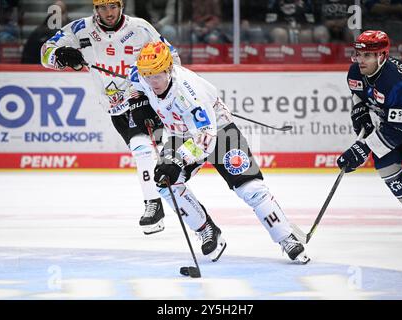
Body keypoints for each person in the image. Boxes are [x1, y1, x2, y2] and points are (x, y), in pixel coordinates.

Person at [127, 41, 310, 264]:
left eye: (156, 75)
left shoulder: (190, 92)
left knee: (250, 188)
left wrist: (178, 159)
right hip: (179, 134)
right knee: (164, 182)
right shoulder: (140, 74)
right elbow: (132, 85)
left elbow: (205, 139)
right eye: (147, 75)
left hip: (219, 131)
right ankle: (207, 229)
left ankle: (286, 236)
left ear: (168, 68)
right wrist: (137, 104)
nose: (151, 81)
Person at [41, 0, 182, 235]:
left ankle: (153, 205)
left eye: (113, 6)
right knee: (149, 154)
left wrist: (160, 86)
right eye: (103, 8)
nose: (109, 13)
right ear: (95, 9)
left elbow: (173, 59)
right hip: (115, 107)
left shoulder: (140, 28)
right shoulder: (80, 29)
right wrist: (62, 56)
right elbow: (45, 53)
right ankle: (170, 199)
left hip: (143, 98)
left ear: (122, 6)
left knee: (142, 147)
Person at [337, 30, 402, 244]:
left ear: (382, 56)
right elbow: (358, 96)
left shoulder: (395, 81)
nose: (360, 60)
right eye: (358, 54)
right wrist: (360, 113)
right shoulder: (355, 72)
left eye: (367, 56)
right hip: (396, 120)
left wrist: (362, 149)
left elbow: (399, 130)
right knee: (385, 163)